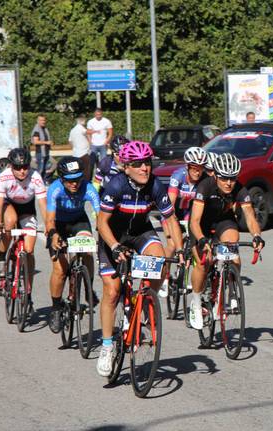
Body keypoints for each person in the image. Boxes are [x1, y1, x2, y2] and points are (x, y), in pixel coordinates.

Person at [95, 140, 184, 377]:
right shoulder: (115, 185)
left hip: (140, 233)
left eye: (147, 163)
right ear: (126, 167)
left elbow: (170, 219)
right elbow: (101, 222)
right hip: (113, 236)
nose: (145, 168)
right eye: (138, 164)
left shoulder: (155, 185)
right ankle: (106, 346)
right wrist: (113, 246)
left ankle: (142, 304)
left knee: (160, 260)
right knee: (112, 291)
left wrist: (181, 249)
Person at [188, 153, 264, 330]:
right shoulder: (204, 187)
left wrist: (256, 236)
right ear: (215, 175)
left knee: (234, 253)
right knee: (203, 262)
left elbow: (251, 218)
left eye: (233, 178)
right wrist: (200, 239)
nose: (229, 183)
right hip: (202, 225)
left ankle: (229, 287)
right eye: (224, 178)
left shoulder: (240, 190)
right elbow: (194, 221)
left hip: (224, 222)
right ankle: (197, 301)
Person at [45, 157, 101, 333]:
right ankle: (55, 308)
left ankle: (88, 288)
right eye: (70, 180)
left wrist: (103, 236)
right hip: (58, 225)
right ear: (61, 178)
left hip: (79, 222)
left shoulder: (89, 188)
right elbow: (49, 219)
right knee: (60, 271)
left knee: (87, 251)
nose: (75, 184)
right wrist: (53, 235)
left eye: (78, 179)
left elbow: (100, 216)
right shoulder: (55, 189)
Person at [0, 148, 47, 303]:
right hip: (9, 205)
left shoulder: (35, 177)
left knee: (29, 251)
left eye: (25, 167)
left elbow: (43, 205)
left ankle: (28, 292)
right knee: (9, 222)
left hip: (27, 209)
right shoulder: (4, 177)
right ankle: (2, 258)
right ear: (11, 166)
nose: (22, 171)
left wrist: (49, 227)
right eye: (17, 167)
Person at [160, 146, 208, 296]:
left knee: (195, 245)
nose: (197, 172)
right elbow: (171, 203)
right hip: (172, 213)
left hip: (189, 214)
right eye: (194, 168)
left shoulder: (204, 180)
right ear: (187, 167)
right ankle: (165, 279)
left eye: (200, 168)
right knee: (173, 244)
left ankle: (191, 277)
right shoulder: (178, 176)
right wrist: (173, 225)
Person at [87, 108, 113, 176]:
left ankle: (103, 176)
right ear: (94, 114)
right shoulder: (90, 122)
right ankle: (91, 177)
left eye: (99, 114)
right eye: (97, 114)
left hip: (103, 145)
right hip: (94, 145)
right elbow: (88, 132)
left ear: (102, 114)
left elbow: (110, 133)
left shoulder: (107, 121)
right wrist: (90, 142)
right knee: (92, 162)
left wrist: (106, 141)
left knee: (104, 162)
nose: (98, 116)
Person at [68, 115, 91, 180]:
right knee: (86, 171)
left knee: (76, 171)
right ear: (82, 121)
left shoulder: (72, 130)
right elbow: (87, 132)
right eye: (84, 120)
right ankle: (86, 184)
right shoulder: (81, 127)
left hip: (75, 154)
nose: (85, 122)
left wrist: (75, 147)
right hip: (83, 153)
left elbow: (70, 141)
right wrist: (96, 131)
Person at [31, 114, 53, 181]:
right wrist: (46, 142)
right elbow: (35, 142)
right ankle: (37, 184)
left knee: (45, 169)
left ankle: (43, 183)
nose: (43, 121)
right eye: (41, 120)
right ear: (37, 121)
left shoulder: (44, 128)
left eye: (44, 120)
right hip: (40, 153)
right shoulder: (37, 129)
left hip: (46, 153)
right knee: (40, 170)